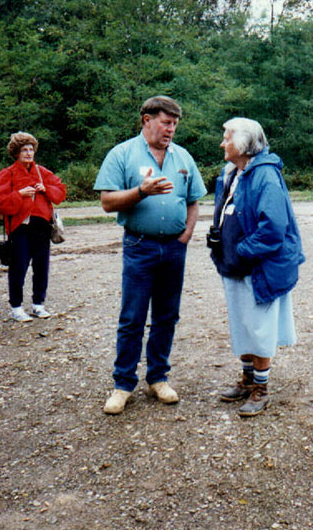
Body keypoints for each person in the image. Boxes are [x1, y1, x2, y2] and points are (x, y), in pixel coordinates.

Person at [95, 96, 206, 415]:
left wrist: (185, 234)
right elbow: (107, 201)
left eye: (174, 124)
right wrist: (141, 191)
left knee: (167, 315)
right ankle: (123, 384)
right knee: (132, 316)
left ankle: (158, 377)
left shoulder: (183, 157)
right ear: (146, 119)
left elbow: (194, 200)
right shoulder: (122, 154)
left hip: (174, 247)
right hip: (139, 246)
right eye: (165, 122)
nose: (170, 129)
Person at [209, 117, 304, 417]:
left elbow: (273, 229)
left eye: (227, 137)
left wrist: (241, 250)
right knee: (242, 324)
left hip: (258, 266)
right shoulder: (233, 173)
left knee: (260, 327)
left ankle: (261, 388)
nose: (222, 143)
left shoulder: (265, 176)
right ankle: (248, 379)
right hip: (236, 265)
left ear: (244, 143)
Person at [0, 132, 67, 322]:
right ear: (16, 152)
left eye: (31, 149)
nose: (29, 153)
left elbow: (61, 192)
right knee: (19, 268)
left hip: (42, 227)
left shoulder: (42, 172)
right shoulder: (8, 173)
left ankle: (38, 305)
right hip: (20, 229)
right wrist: (19, 194)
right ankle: (16, 308)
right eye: (24, 150)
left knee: (41, 267)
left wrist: (45, 189)